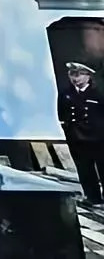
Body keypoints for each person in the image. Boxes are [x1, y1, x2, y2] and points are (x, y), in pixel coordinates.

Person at [58, 62, 104, 207]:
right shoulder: (66, 93)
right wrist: (68, 130)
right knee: (84, 169)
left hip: (98, 138)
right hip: (77, 138)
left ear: (88, 76)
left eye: (78, 75)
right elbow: (62, 114)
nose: (75, 79)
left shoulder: (98, 92)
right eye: (72, 75)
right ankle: (92, 197)